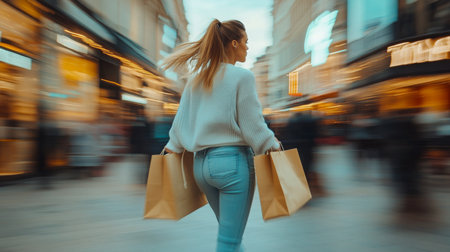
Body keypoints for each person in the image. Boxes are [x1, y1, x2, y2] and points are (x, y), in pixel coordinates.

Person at [161, 19, 280, 252]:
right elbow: (252, 124)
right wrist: (271, 144)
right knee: (229, 241)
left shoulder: (196, 79)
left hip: (201, 167)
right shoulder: (241, 77)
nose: (248, 47)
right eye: (246, 42)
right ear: (234, 43)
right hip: (231, 165)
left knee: (230, 236)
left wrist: (171, 148)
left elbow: (179, 124)